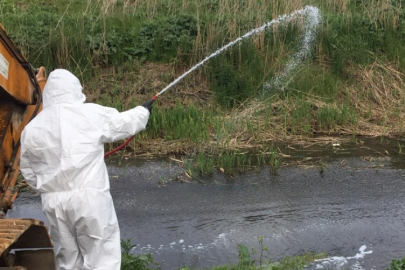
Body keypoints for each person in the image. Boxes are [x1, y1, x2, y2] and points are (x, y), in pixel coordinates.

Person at [20, 69, 154, 270]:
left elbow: (28, 171)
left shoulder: (31, 128)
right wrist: (143, 111)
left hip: (53, 203)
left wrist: (47, 188)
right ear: (74, 89)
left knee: (68, 260)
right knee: (101, 258)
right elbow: (122, 123)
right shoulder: (89, 114)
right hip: (89, 199)